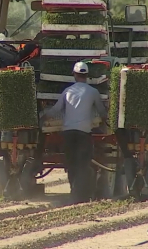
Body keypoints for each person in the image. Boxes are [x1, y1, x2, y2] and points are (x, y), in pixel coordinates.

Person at [40, 61, 107, 204]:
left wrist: (43, 116)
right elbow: (101, 111)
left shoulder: (68, 91)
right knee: (83, 164)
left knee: (71, 164)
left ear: (75, 75)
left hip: (68, 133)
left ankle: (73, 192)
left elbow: (57, 109)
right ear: (87, 75)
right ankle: (82, 194)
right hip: (84, 134)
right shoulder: (93, 92)